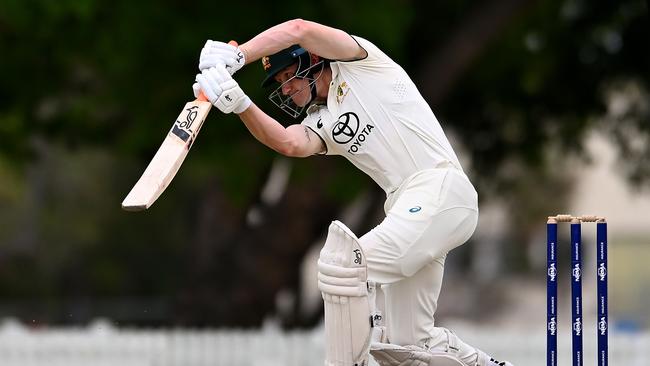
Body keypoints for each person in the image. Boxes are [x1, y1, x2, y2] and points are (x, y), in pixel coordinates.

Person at [193, 19, 514, 366]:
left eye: (287, 77)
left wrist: (239, 56)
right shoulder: (323, 120)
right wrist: (240, 104)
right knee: (410, 349)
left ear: (311, 60)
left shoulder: (361, 64)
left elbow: (300, 29)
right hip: (412, 206)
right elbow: (288, 142)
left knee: (345, 265)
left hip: (439, 187)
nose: (285, 90)